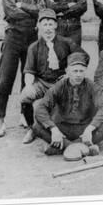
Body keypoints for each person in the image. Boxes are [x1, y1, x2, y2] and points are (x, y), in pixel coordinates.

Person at [0, 0, 44, 137]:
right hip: (13, 37)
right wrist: (30, 12)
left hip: (31, 38)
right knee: (6, 78)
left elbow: (41, 10)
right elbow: (11, 13)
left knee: (27, 79)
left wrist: (22, 5)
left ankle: (25, 115)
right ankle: (1, 120)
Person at [20, 8, 83, 144]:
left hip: (62, 82)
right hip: (42, 83)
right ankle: (32, 128)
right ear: (39, 26)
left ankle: (65, 130)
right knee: (25, 95)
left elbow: (83, 57)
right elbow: (29, 71)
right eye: (44, 24)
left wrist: (70, 72)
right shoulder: (34, 47)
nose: (48, 28)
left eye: (50, 24)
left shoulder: (66, 43)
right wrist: (29, 85)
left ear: (55, 25)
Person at [32, 52, 103, 156]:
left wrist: (90, 128)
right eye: (75, 71)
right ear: (67, 71)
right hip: (62, 127)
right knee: (37, 127)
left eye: (81, 71)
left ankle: (62, 148)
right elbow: (41, 108)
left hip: (84, 128)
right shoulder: (59, 86)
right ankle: (80, 148)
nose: (78, 74)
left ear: (85, 71)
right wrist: (54, 129)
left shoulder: (93, 87)